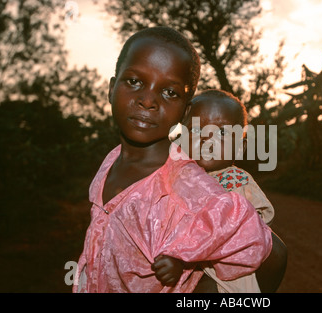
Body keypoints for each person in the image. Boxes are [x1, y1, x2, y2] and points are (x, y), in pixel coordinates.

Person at [73, 27, 272, 293]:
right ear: (111, 88)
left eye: (169, 92)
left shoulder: (189, 186)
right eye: (134, 82)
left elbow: (266, 249)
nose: (147, 100)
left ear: (185, 111)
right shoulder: (111, 160)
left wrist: (188, 259)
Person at [179, 89, 287, 293]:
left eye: (222, 132)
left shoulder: (236, 181)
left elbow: (256, 228)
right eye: (195, 129)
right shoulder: (173, 177)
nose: (207, 138)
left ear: (240, 147)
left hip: (227, 278)